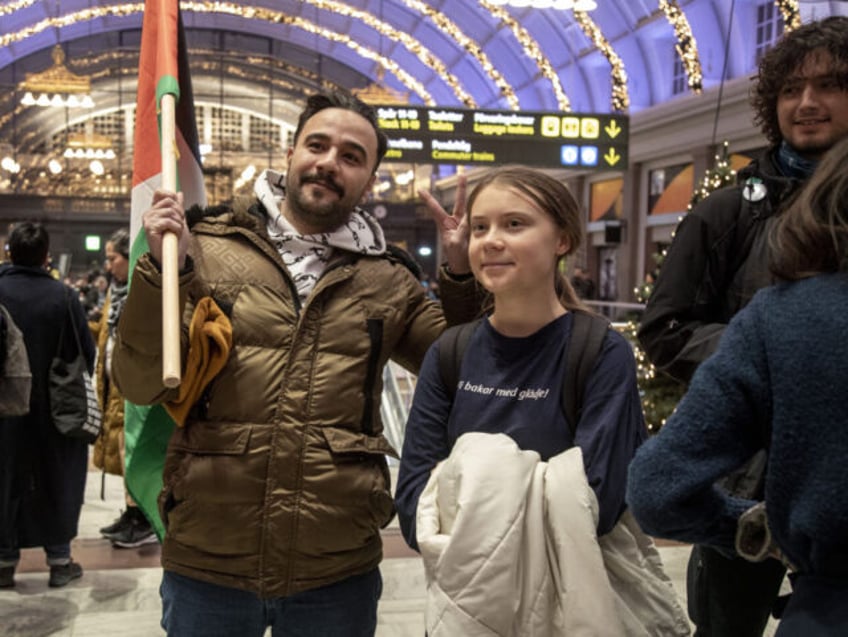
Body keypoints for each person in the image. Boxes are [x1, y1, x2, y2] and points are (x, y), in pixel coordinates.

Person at [111, 89, 479, 637]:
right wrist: (164, 271)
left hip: (334, 564)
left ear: (369, 178)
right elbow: (139, 381)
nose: (330, 163)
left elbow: (466, 369)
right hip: (211, 555)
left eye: (352, 156)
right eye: (318, 145)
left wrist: (462, 275)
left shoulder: (388, 279)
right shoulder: (205, 246)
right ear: (289, 154)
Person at [395, 167, 687, 635]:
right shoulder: (450, 352)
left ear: (563, 241)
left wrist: (468, 486)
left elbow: (598, 502)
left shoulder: (600, 352)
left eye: (514, 224)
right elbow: (412, 507)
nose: (490, 240)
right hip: (467, 610)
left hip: (570, 608)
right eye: (481, 226)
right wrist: (533, 487)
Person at [637, 16, 848, 636]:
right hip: (738, 472)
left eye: (831, 85)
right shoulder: (729, 208)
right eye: (790, 89)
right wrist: (771, 361)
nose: (806, 103)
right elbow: (665, 325)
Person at [0, 222, 96, 588]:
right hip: (56, 409)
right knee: (58, 480)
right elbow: (84, 352)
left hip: (4, 410)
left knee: (4, 480)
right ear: (46, 256)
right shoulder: (64, 296)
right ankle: (59, 561)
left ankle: (4, 561)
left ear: (9, 251)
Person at [90, 229, 157, 548]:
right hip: (114, 384)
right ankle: (131, 512)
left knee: (134, 448)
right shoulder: (115, 292)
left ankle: (142, 517)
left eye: (112, 258)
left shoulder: (141, 292)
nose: (108, 265)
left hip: (134, 387)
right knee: (120, 450)